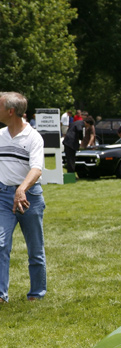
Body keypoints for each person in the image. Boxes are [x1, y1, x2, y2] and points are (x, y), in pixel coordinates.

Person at [0, 92, 47, 304]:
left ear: (11, 111)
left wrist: (22, 189)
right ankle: (1, 295)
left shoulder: (33, 137)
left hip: (30, 198)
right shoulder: (0, 135)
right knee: (0, 244)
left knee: (35, 249)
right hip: (3, 197)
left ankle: (36, 293)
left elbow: (36, 169)